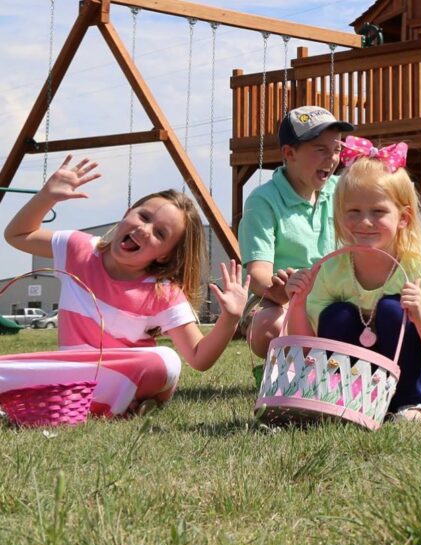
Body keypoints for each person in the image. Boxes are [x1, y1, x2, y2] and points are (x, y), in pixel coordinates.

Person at [0, 156, 249, 416]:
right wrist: (46, 196)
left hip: (122, 374)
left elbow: (199, 357)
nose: (144, 229)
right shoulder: (78, 249)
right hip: (71, 370)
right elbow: (17, 234)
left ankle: (80, 401)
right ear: (126, 213)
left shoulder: (162, 292)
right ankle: (104, 403)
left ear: (164, 255)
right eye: (143, 216)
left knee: (166, 361)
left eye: (160, 233)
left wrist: (230, 318)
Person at [285, 137, 421, 422]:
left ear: (403, 218)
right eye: (353, 212)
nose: (364, 222)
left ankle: (411, 405)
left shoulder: (415, 271)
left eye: (378, 212)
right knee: (337, 315)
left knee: (394, 309)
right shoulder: (332, 270)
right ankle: (343, 397)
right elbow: (306, 348)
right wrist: (299, 302)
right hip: (363, 376)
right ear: (339, 217)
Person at [238, 105, 353, 359]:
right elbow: (257, 276)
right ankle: (306, 364)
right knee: (270, 327)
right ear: (289, 153)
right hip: (278, 301)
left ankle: (315, 362)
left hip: (334, 296)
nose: (332, 158)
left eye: (337, 150)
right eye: (321, 149)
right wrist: (279, 290)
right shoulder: (263, 201)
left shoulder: (342, 190)